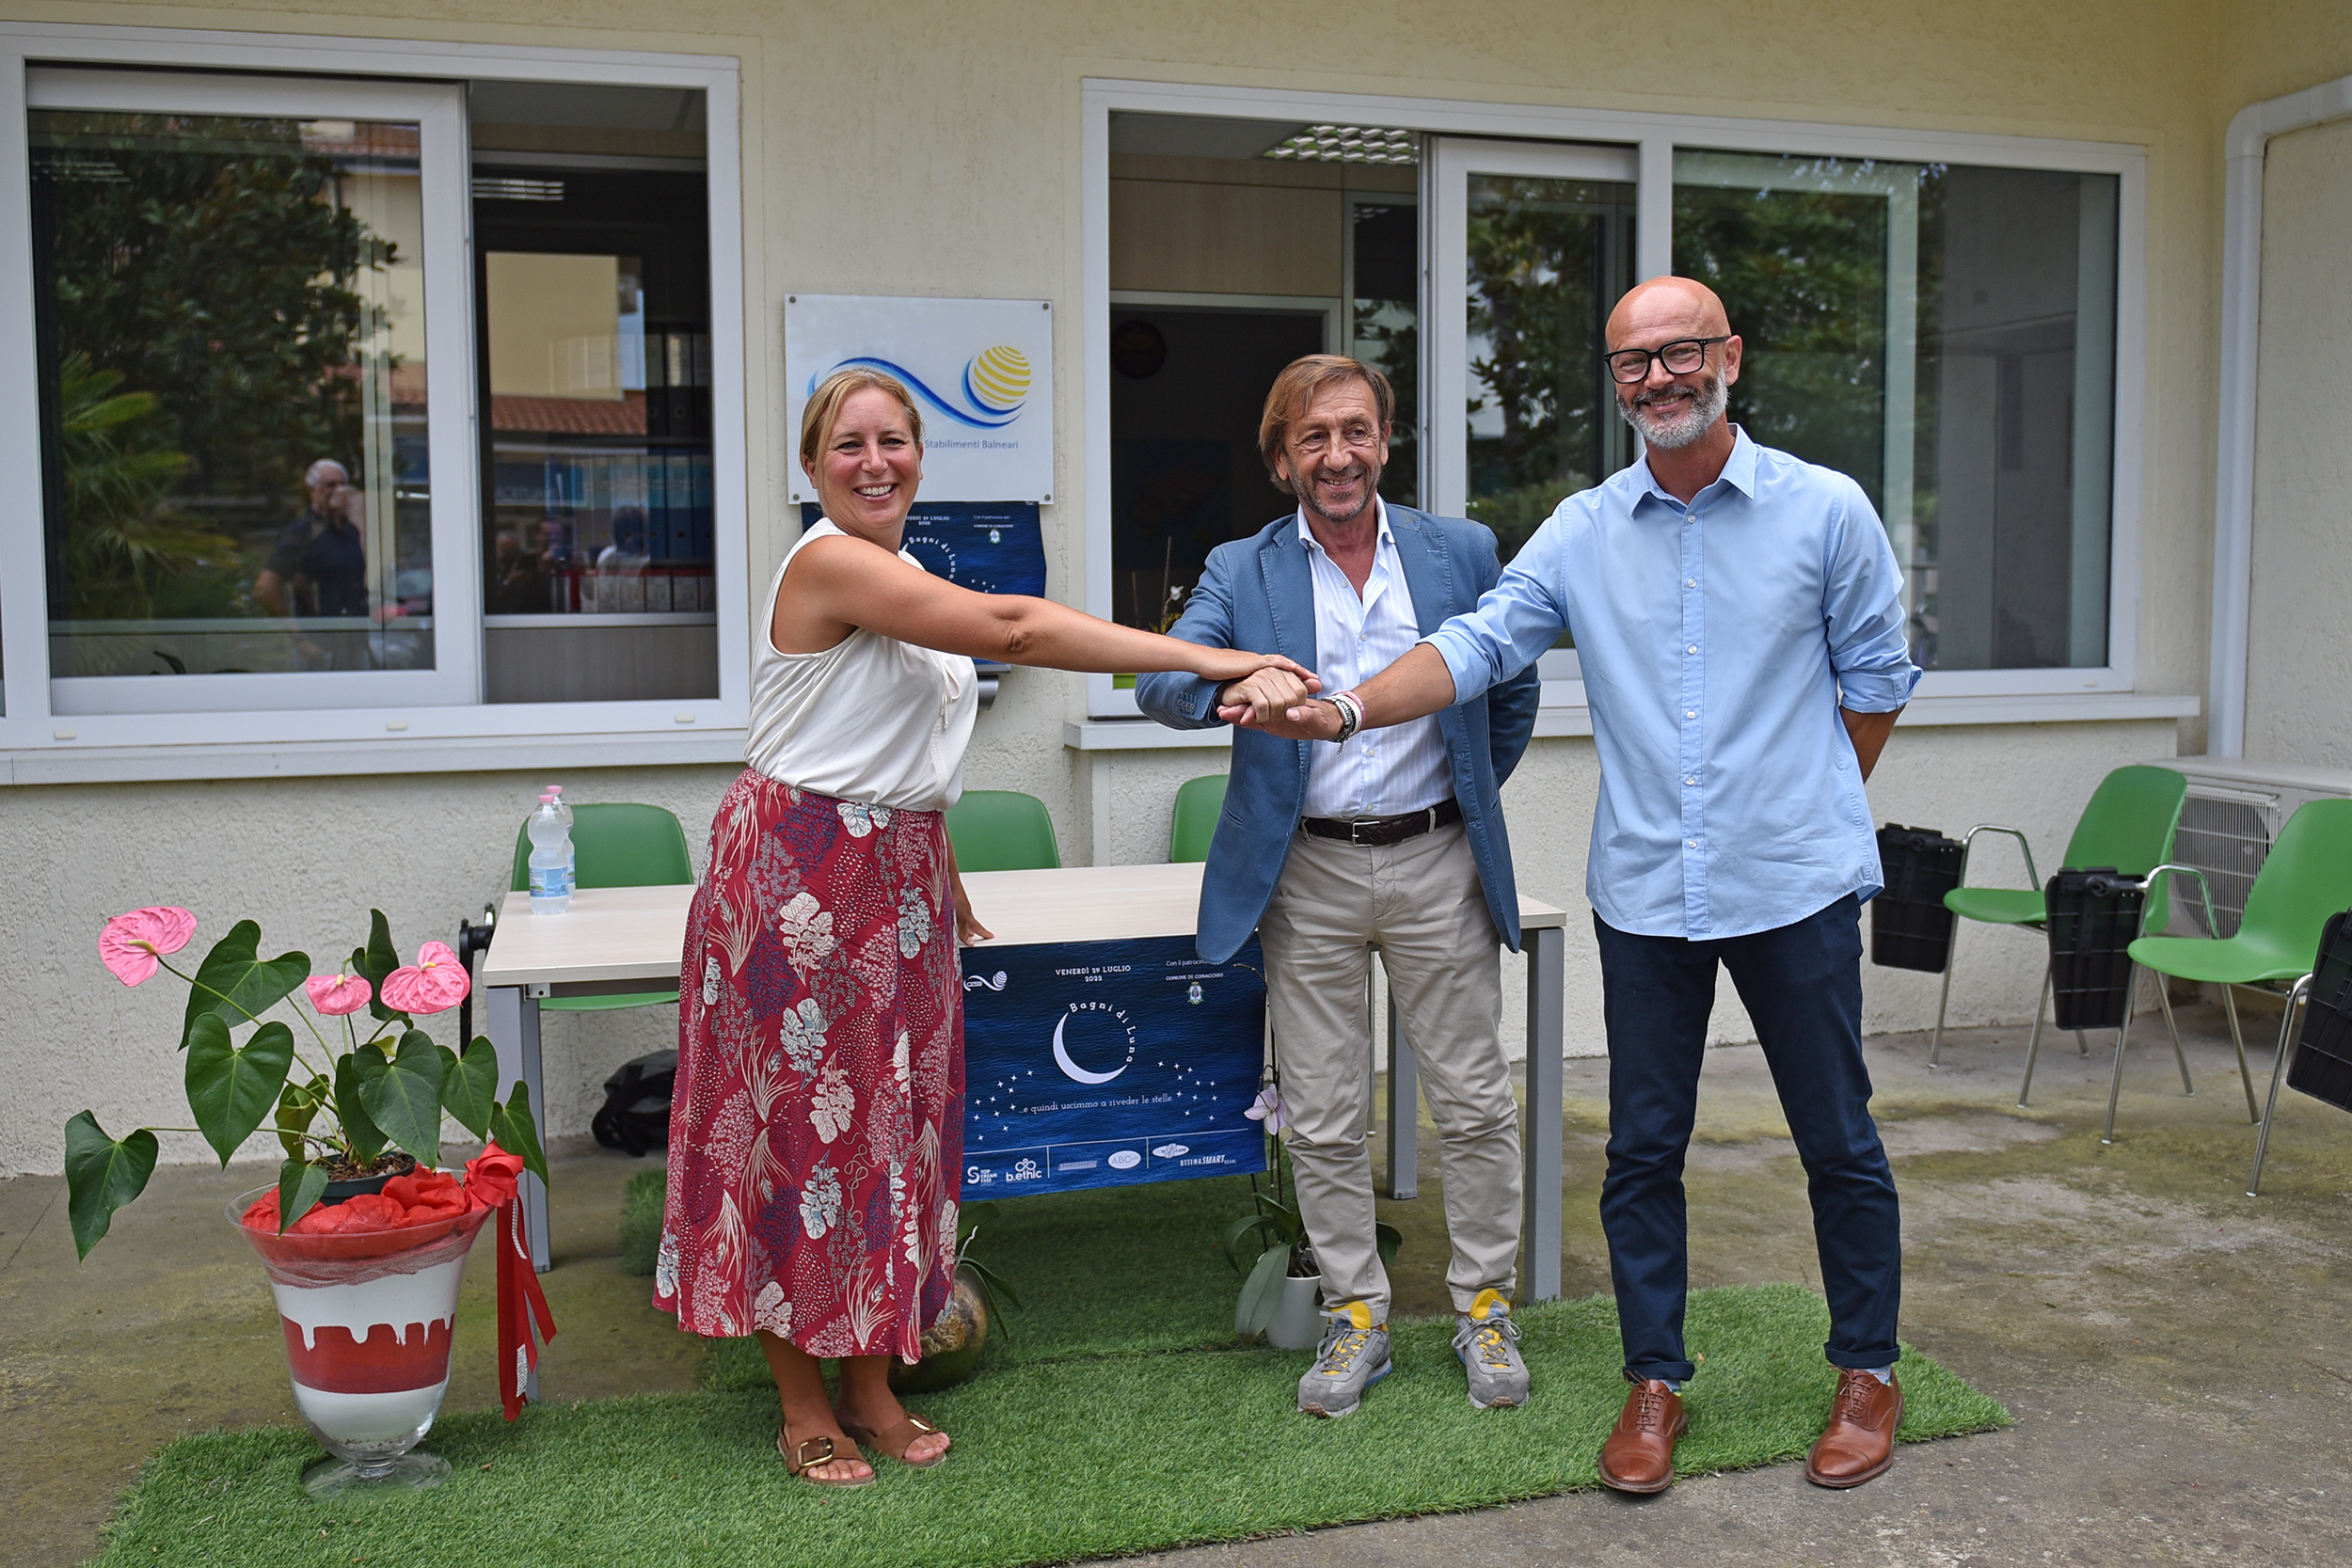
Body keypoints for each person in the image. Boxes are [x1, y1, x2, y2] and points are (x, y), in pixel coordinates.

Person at [1230, 278, 1919, 1490]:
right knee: (1645, 1148)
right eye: (1633, 363)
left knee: (1837, 1141)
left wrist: (1798, 797)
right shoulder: (1582, 528)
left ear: (1729, 358)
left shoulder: (1827, 511)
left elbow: (1874, 679)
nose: (1659, 378)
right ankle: (1653, 1382)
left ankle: (1866, 1369)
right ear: (1617, 384)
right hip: (1649, 890)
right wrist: (1344, 709)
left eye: (1680, 353)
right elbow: (1477, 646)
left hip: (1796, 884)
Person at [655, 366, 1312, 1488]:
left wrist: (937, 866)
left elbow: (899, 744)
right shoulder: (827, 563)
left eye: (894, 441)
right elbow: (1014, 624)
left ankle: (870, 1382)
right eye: (849, 445)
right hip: (799, 882)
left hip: (894, 880)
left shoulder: (904, 571)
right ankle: (802, 1396)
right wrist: (1213, 658)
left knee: (891, 1134)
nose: (875, 462)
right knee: (797, 1137)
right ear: (812, 470)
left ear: (920, 456)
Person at [1136, 355, 1541, 1418]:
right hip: (1304, 869)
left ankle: (1483, 1305)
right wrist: (1237, 673)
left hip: (1435, 859)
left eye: (1354, 431)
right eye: (1312, 438)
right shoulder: (1245, 565)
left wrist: (1461, 798)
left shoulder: (1460, 551)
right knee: (1318, 1113)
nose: (1338, 455)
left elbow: (1511, 681)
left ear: (1384, 440)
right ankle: (1355, 1314)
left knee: (1473, 1098)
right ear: (1282, 460)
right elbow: (1158, 678)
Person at [255, 460, 368, 666]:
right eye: (330, 485)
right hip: (319, 648)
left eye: (342, 484)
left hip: (355, 643)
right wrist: (300, 640)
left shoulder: (349, 530)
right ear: (312, 491)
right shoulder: (302, 533)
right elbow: (265, 589)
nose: (338, 490)